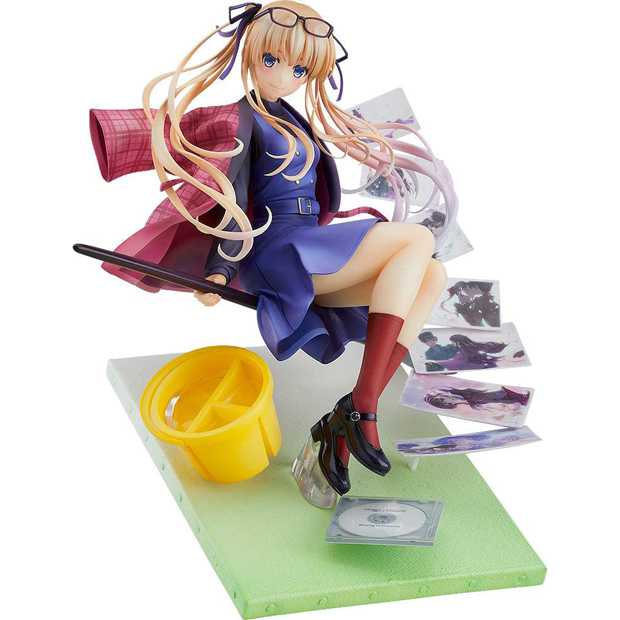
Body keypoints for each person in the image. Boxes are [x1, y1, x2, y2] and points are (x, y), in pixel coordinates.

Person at [89, 1, 458, 497]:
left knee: (432, 274)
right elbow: (231, 198)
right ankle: (364, 407)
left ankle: (348, 416)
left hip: (314, 244)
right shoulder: (241, 121)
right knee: (417, 238)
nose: (284, 76)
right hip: (281, 252)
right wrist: (220, 271)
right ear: (251, 53)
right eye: (271, 61)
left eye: (299, 69)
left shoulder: (295, 120)